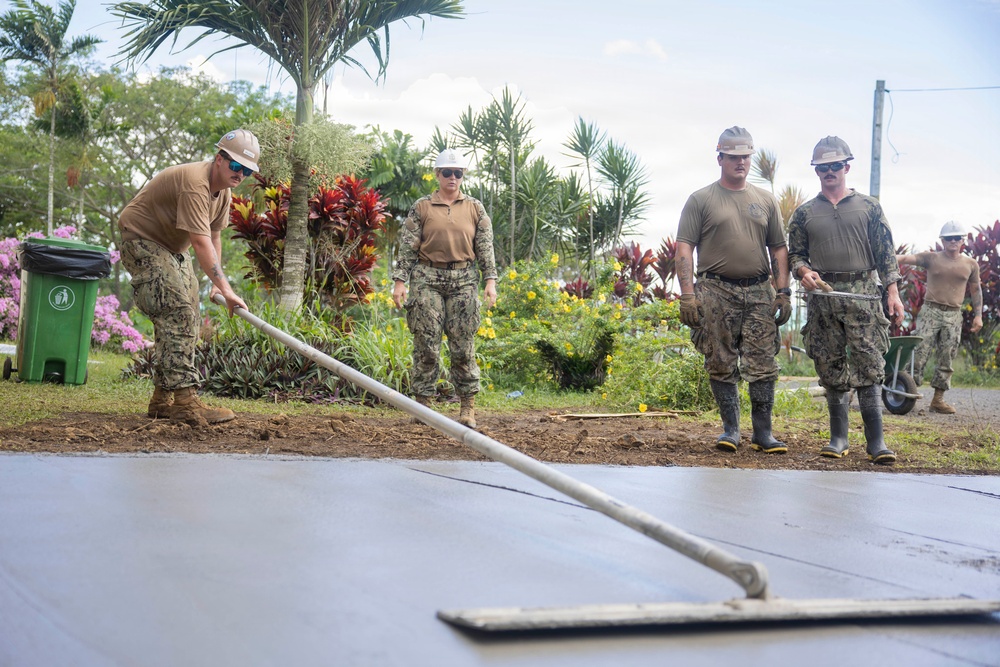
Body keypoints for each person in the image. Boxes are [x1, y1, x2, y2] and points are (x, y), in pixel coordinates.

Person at [118, 130, 256, 425]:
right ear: (219, 160)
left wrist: (216, 286)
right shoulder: (196, 183)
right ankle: (185, 403)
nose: (240, 174)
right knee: (177, 312)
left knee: (188, 315)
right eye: (235, 166)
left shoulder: (223, 193)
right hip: (142, 240)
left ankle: (162, 400)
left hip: (171, 249)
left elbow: (214, 236)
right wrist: (226, 288)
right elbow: (200, 241)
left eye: (247, 170)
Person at [787, 136, 904, 464]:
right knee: (830, 363)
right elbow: (796, 255)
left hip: (864, 293)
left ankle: (876, 442)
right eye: (822, 167)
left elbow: (886, 254)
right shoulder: (804, 213)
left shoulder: (869, 207)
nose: (829, 172)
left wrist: (892, 294)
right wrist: (802, 271)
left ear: (846, 167)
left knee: (869, 364)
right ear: (816, 171)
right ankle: (838, 438)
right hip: (824, 294)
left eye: (835, 166)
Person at [676, 126, 792, 454]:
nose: (740, 163)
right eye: (733, 157)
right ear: (720, 158)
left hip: (758, 292)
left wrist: (783, 291)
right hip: (715, 290)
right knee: (720, 359)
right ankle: (731, 430)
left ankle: (763, 433)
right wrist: (687, 294)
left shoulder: (765, 200)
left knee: (762, 363)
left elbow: (778, 250)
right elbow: (684, 247)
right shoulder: (701, 200)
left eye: (745, 157)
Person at [392, 149, 498, 429]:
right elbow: (408, 246)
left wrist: (490, 280)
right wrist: (400, 282)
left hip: (464, 279)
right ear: (437, 174)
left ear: (463, 176)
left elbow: (485, 246)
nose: (453, 177)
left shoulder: (475, 207)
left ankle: (467, 407)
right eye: (447, 172)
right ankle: (423, 407)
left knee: (463, 346)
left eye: (458, 173)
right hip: (427, 277)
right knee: (426, 344)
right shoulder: (422, 207)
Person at [896, 221, 983, 414]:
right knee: (918, 353)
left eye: (957, 238)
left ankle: (938, 400)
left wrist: (978, 316)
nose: (953, 241)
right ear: (942, 240)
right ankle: (906, 395)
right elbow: (903, 258)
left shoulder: (970, 264)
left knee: (947, 356)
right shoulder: (931, 258)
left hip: (953, 314)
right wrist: (883, 257)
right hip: (930, 311)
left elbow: (976, 289)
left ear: (963, 240)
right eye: (949, 238)